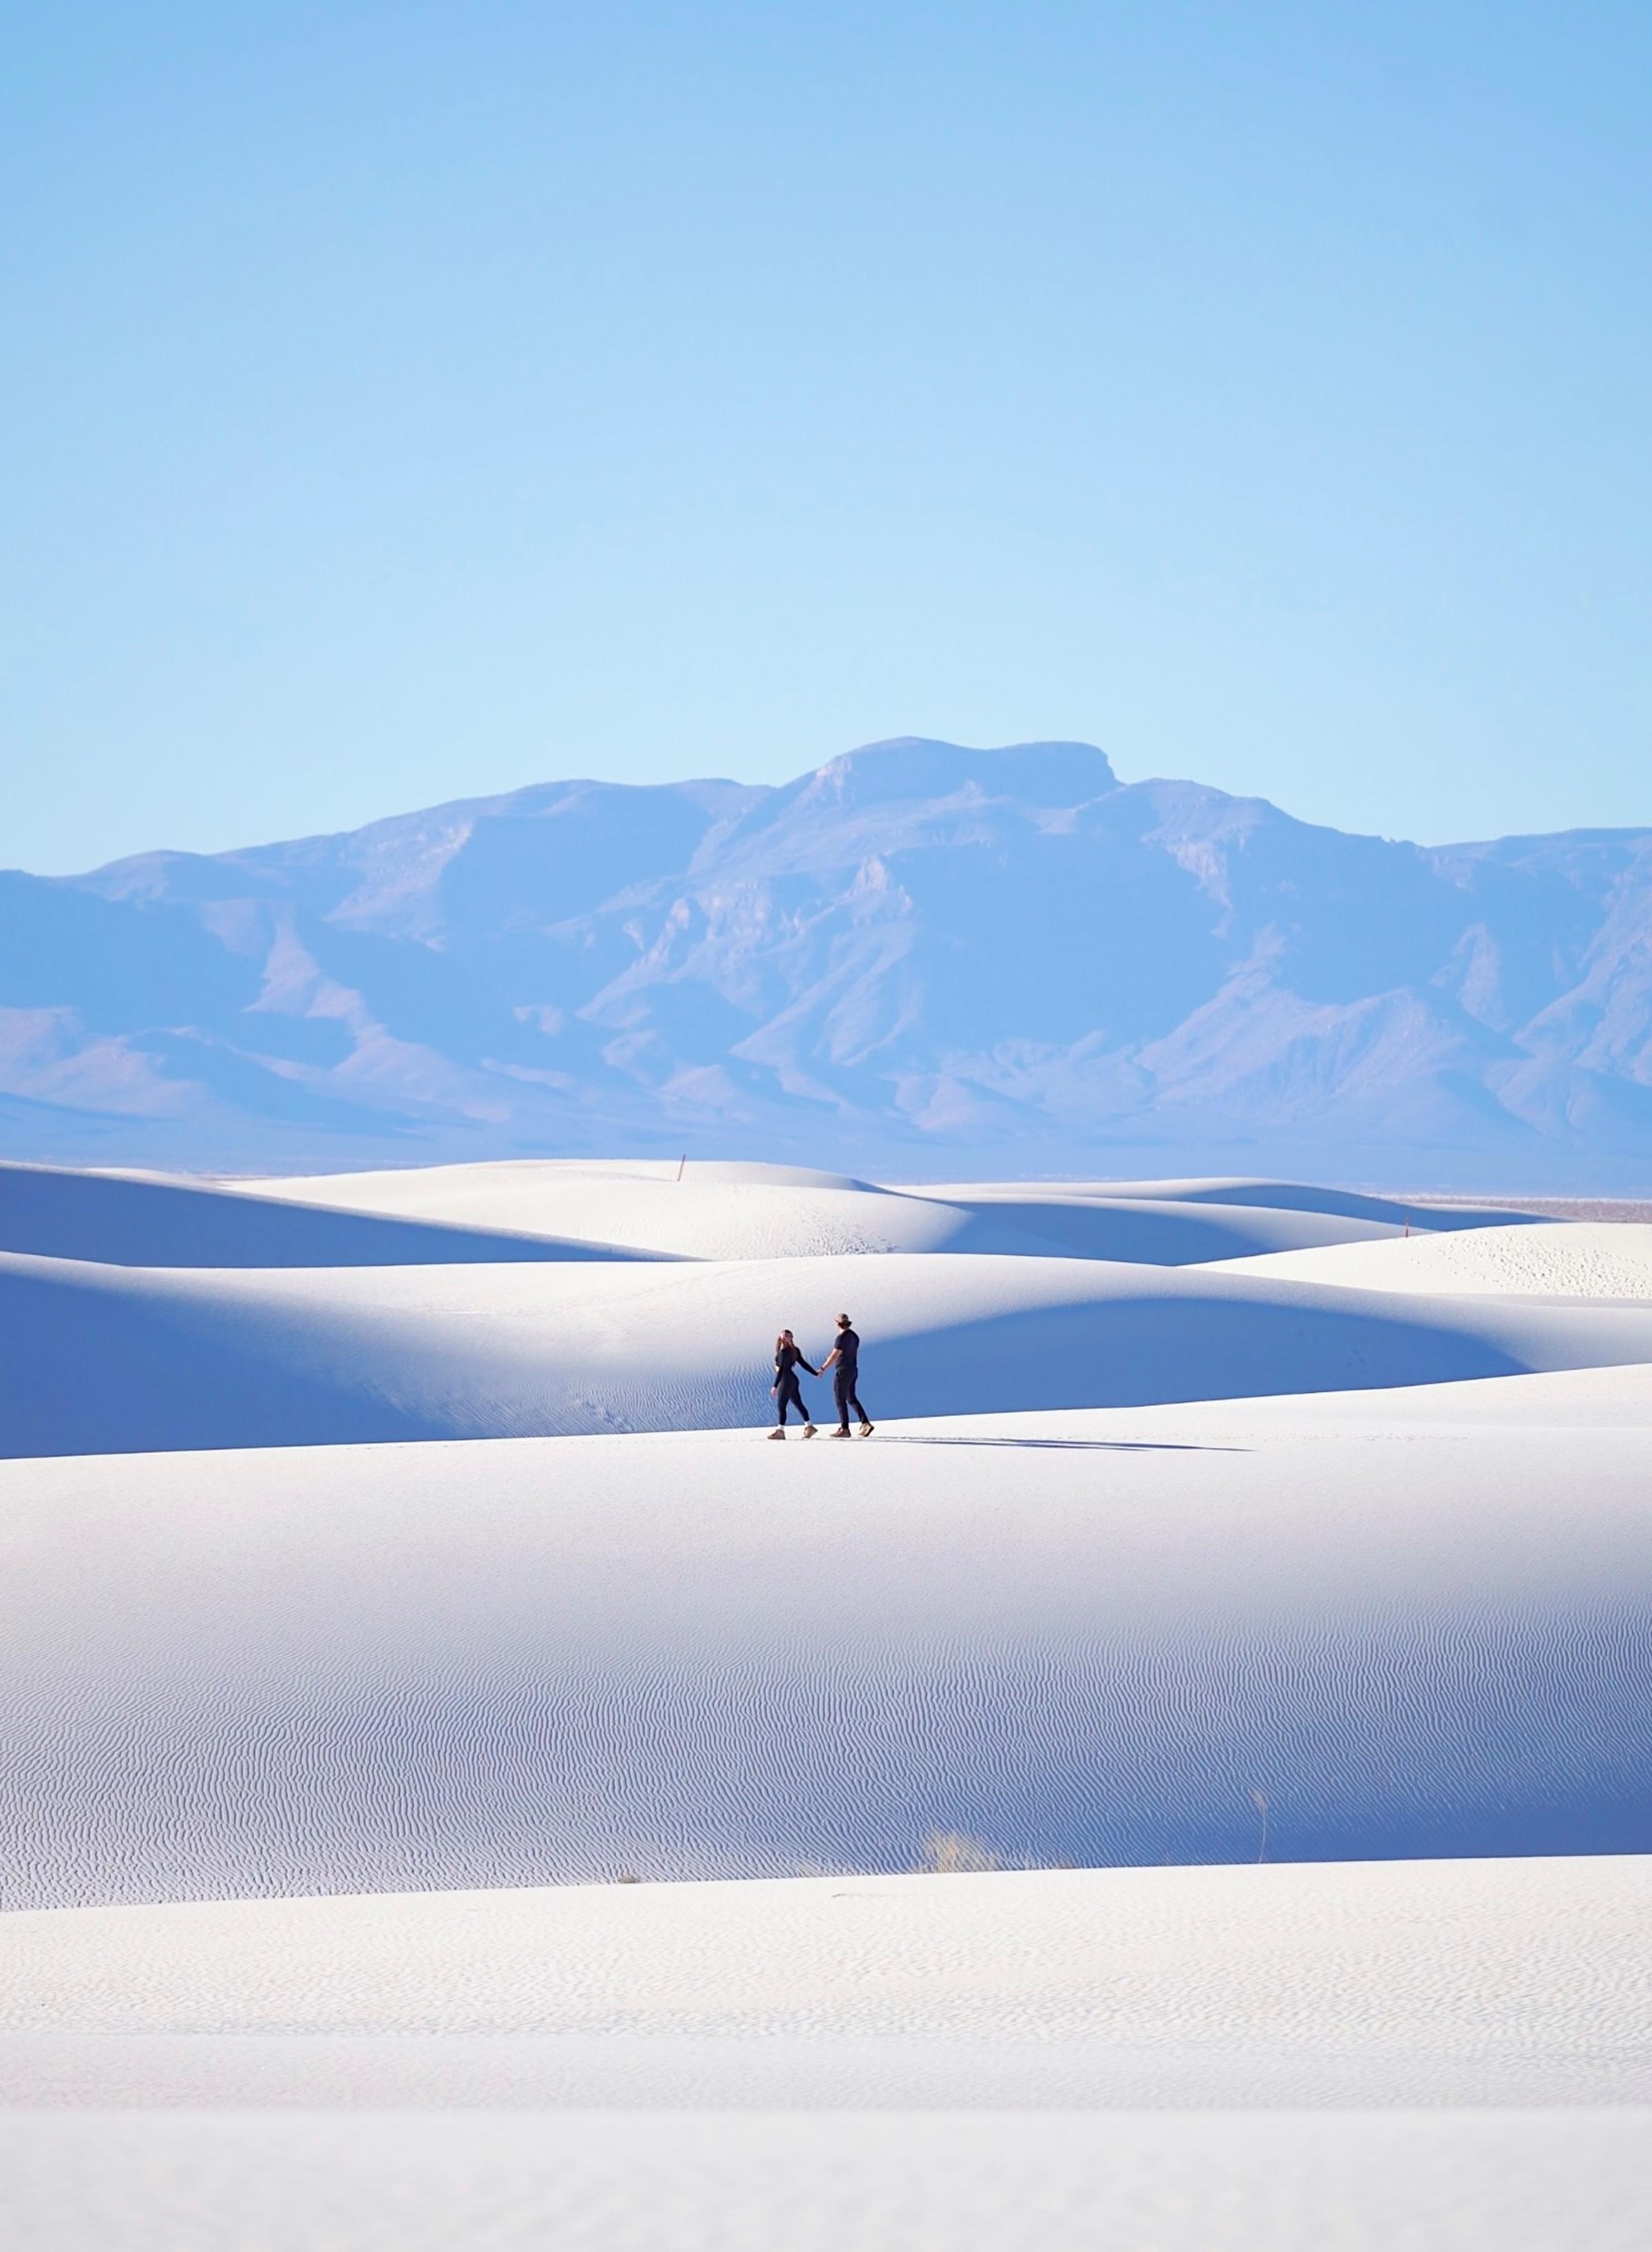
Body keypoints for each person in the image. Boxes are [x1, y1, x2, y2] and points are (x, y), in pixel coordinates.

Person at [820, 1314, 873, 1437]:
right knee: (851, 1398)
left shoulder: (841, 1338)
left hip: (843, 1371)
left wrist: (823, 1368)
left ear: (837, 1323)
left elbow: (834, 1355)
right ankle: (865, 1423)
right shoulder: (854, 1336)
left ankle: (845, 1428)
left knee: (840, 1398)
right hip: (853, 1369)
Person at [769, 1329, 818, 1439]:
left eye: (788, 1336)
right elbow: (803, 1364)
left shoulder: (783, 1352)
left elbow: (781, 1370)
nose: (787, 1338)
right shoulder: (794, 1350)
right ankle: (809, 1427)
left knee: (782, 1406)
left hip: (786, 1380)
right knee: (798, 1404)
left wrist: (775, 1386)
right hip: (793, 1380)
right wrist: (815, 1373)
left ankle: (780, 1432)